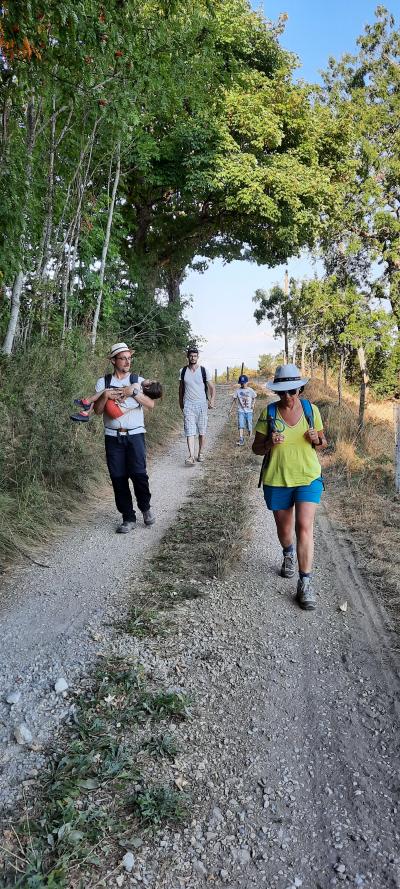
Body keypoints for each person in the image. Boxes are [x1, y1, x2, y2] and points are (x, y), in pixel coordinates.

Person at [252, 364, 327, 611]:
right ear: (277, 393)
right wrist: (269, 444)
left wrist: (317, 440)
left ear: (300, 390)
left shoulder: (311, 410)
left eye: (292, 391)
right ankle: (288, 553)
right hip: (277, 479)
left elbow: (323, 442)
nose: (288, 397)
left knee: (304, 526)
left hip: (307, 477)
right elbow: (256, 448)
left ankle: (305, 583)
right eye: (282, 392)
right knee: (285, 531)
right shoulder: (269, 413)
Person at [93, 342, 156, 533]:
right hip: (113, 437)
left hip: (135, 435)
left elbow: (150, 404)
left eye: (129, 358)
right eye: (123, 358)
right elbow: (97, 411)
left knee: (139, 475)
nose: (128, 361)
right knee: (118, 478)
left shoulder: (138, 380)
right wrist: (105, 395)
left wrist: (133, 391)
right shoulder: (102, 382)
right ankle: (128, 517)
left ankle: (145, 508)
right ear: (113, 360)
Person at [179, 346, 215, 466]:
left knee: (202, 431)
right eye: (191, 356)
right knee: (189, 430)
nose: (193, 358)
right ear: (188, 357)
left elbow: (212, 388)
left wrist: (212, 400)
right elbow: (181, 388)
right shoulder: (183, 371)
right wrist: (180, 401)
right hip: (188, 404)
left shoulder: (204, 371)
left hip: (202, 404)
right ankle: (191, 456)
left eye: (195, 356)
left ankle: (201, 453)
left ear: (197, 357)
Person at [70, 381, 162, 422]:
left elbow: (124, 392)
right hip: (117, 413)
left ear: (148, 386)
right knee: (105, 395)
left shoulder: (137, 386)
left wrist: (119, 392)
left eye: (149, 380)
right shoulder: (142, 398)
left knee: (106, 391)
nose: (147, 379)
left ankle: (86, 402)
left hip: (114, 408)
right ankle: (85, 412)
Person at [229, 374, 257, 445]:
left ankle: (250, 438)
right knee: (241, 424)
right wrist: (230, 409)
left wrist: (253, 404)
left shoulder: (250, 390)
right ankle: (241, 439)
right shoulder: (238, 391)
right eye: (241, 383)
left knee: (249, 425)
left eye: (244, 383)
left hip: (249, 411)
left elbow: (254, 397)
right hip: (241, 411)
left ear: (247, 382)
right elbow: (234, 400)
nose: (242, 384)